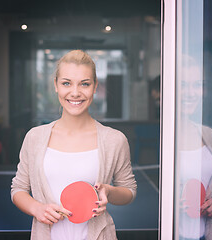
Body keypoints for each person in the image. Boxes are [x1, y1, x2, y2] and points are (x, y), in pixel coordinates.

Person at [11, 50, 137, 240]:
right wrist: (37, 208)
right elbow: (18, 189)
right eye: (66, 83)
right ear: (56, 85)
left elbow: (129, 190)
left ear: (95, 87)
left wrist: (109, 192)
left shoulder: (114, 140)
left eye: (84, 84)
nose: (75, 92)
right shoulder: (34, 137)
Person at [177, 56, 212, 240]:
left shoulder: (208, 134)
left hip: (205, 235)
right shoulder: (161, 137)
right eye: (182, 84)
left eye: (197, 84)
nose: (191, 92)